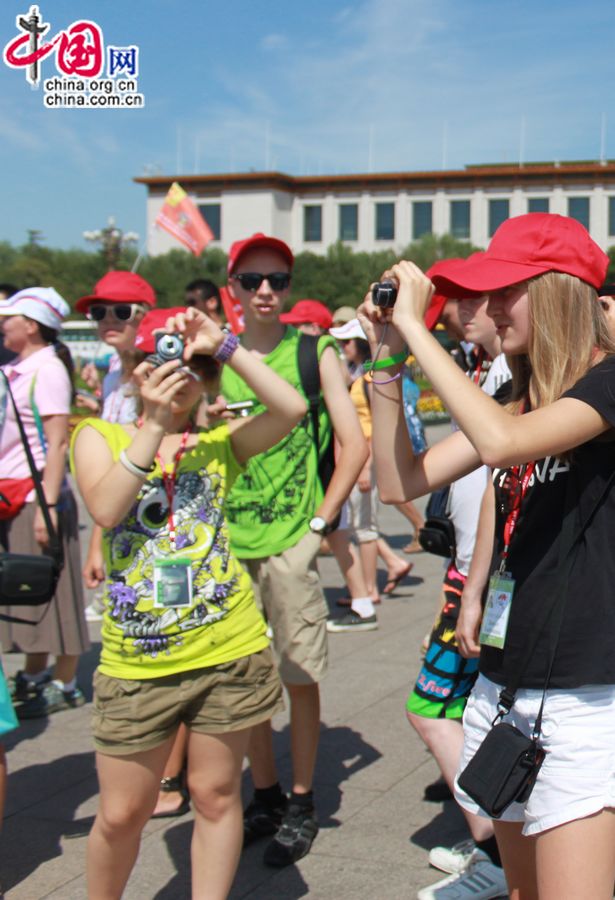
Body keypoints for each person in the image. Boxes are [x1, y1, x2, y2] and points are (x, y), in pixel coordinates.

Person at [360, 212, 615, 900]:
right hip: (501, 689)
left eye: (505, 291)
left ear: (559, 292)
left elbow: (503, 445)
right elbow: (398, 482)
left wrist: (417, 326)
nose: (484, 308)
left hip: (588, 701)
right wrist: (387, 355)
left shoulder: (609, 383)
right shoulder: (514, 394)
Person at [70, 306, 307, 900]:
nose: (179, 377)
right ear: (133, 369)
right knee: (123, 813)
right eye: (162, 363)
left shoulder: (217, 445)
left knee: (217, 795)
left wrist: (225, 346)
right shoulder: (99, 436)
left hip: (227, 649)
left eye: (191, 368)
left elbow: (292, 408)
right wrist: (153, 422)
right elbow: (105, 509)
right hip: (139, 665)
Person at [221, 233, 368, 866]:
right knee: (245, 679)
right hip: (226, 546)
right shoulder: (216, 360)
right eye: (252, 279)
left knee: (298, 675)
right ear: (231, 286)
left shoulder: (316, 351)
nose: (264, 291)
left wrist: (317, 528)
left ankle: (302, 800)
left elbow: (353, 444)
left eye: (276, 280)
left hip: (288, 541)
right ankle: (266, 794)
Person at [404, 277, 511, 900]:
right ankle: (499, 848)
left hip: (494, 579)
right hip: (475, 577)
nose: (467, 308)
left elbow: (500, 466)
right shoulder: (489, 372)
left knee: (439, 710)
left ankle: (497, 852)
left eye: (483, 296)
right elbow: (402, 480)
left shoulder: (514, 377)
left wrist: (474, 590)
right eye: (459, 298)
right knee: (470, 711)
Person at [0, 287, 90, 717]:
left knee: (55, 591)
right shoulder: (20, 367)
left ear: (31, 325)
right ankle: (36, 672)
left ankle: (65, 679)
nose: (3, 324)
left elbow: (57, 443)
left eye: (9, 317)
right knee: (28, 588)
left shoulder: (47, 369)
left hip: (38, 497)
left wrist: (48, 507)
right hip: (13, 496)